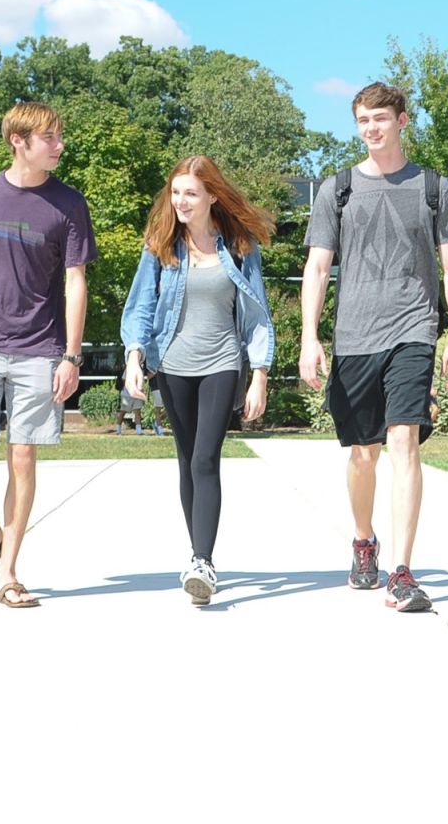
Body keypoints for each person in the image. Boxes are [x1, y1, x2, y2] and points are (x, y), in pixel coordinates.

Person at [300, 83, 448, 613]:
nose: (371, 128)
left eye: (380, 118)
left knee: (403, 441)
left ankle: (402, 571)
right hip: (355, 336)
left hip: (414, 329)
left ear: (402, 120)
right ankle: (363, 540)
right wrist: (309, 337)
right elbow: (318, 267)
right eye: (363, 120)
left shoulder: (432, 187)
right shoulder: (338, 189)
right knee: (362, 454)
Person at [0, 101, 93, 610]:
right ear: (18, 142)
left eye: (59, 135)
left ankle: (8, 571)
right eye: (49, 137)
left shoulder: (69, 204)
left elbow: (75, 281)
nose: (59, 145)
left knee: (22, 457)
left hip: (38, 347)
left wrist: (71, 356)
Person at [121, 155, 275, 606]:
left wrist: (259, 375)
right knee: (187, 459)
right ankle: (197, 559)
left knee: (206, 458)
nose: (181, 201)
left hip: (222, 363)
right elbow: (141, 306)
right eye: (175, 193)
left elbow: (257, 314)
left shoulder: (240, 247)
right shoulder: (161, 245)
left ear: (212, 196)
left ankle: (203, 561)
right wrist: (134, 357)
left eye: (190, 193)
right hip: (172, 366)